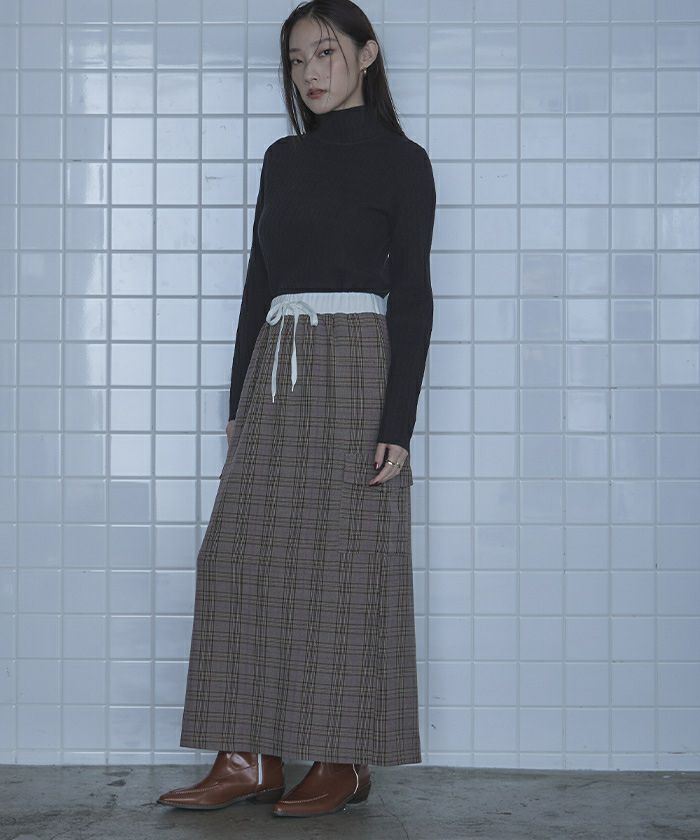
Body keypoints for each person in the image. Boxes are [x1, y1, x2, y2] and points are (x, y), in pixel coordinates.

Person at [158, 0, 436, 818]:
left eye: (325, 53)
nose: (310, 73)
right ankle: (247, 755)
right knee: (236, 556)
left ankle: (342, 759)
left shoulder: (403, 162)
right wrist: (237, 398)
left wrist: (397, 425)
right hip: (276, 366)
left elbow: (415, 295)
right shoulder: (284, 159)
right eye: (296, 60)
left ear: (366, 55)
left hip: (358, 365)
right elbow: (259, 279)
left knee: (347, 565)